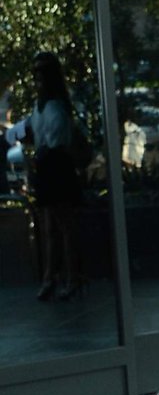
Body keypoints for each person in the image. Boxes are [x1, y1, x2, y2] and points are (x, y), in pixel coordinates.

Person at [6, 51, 85, 298]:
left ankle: (65, 277)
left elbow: (54, 138)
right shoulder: (45, 106)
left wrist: (16, 137)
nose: (37, 78)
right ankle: (55, 276)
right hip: (51, 166)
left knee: (60, 224)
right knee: (54, 225)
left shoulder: (52, 106)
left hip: (55, 166)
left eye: (41, 73)